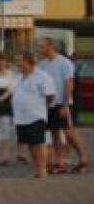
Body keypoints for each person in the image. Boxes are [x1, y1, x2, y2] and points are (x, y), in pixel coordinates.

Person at [37, 38, 88, 174]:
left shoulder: (64, 63)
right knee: (54, 133)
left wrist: (65, 105)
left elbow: (68, 84)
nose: (39, 50)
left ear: (50, 47)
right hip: (50, 103)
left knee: (69, 132)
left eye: (41, 47)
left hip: (63, 103)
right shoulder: (42, 65)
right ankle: (59, 162)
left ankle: (83, 158)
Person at [13, 52, 56, 178]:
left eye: (19, 61)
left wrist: (39, 106)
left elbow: (50, 95)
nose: (17, 64)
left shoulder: (42, 76)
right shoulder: (19, 77)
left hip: (36, 115)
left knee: (39, 142)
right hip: (21, 118)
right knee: (31, 144)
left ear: (28, 62)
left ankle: (43, 169)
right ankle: (37, 168)